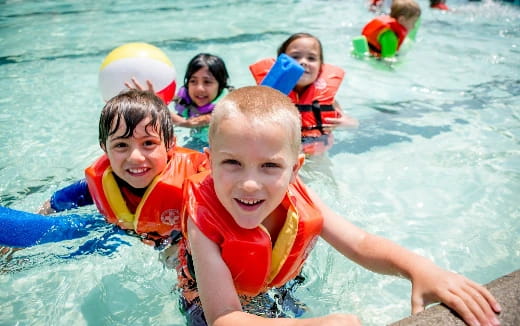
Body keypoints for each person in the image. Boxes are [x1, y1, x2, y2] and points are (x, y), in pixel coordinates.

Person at [174, 85, 502, 326]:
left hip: (276, 290)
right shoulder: (202, 219)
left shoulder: (298, 194)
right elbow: (224, 317)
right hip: (209, 305)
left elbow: (360, 243)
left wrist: (419, 268)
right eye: (232, 162)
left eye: (270, 166)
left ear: (295, 170)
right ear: (210, 162)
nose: (249, 183)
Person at [37, 89, 208, 248]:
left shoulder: (196, 176)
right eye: (121, 145)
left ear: (170, 143)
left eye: (148, 143)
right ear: (105, 148)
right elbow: (51, 206)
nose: (135, 157)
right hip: (123, 234)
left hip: (177, 240)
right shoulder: (99, 183)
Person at [249, 33, 358, 156]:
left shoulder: (328, 100)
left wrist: (344, 123)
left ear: (321, 67)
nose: (303, 62)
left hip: (314, 155)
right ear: (280, 64)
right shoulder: (267, 94)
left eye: (311, 58)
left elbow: (352, 123)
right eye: (295, 57)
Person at [126, 53, 233, 150]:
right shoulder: (183, 97)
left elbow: (186, 123)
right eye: (193, 81)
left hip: (213, 145)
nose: (199, 88)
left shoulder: (224, 109)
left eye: (207, 82)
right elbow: (162, 95)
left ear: (221, 85)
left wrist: (156, 104)